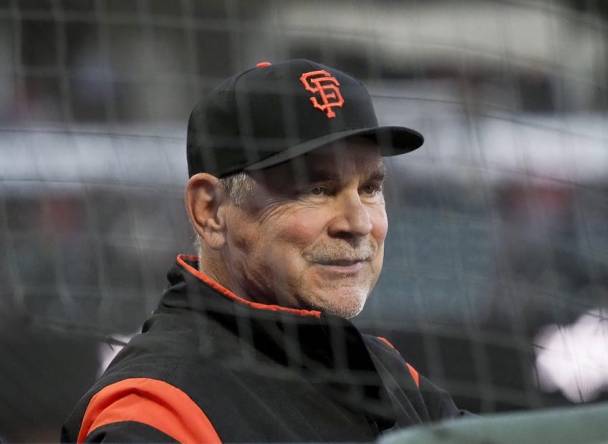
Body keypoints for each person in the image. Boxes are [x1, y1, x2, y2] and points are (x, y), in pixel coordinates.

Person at [61, 59, 465, 443]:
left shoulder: (381, 370)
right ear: (211, 211)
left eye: (370, 188)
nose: (358, 223)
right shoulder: (158, 408)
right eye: (316, 189)